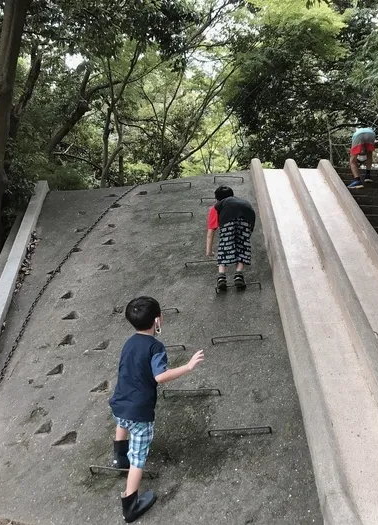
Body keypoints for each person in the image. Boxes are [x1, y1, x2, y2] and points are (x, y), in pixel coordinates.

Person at [109, 296, 204, 523]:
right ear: (157, 320)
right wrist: (188, 366)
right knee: (139, 458)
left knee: (122, 422)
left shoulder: (129, 342)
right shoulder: (155, 347)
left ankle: (119, 457)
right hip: (140, 412)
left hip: (120, 402)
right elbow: (160, 376)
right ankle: (130, 504)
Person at [206, 185, 256, 292]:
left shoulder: (217, 206)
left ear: (217, 199)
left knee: (225, 245)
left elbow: (211, 232)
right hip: (247, 216)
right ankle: (238, 275)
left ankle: (222, 277)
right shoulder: (241, 202)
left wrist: (209, 251)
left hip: (228, 220)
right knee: (243, 245)